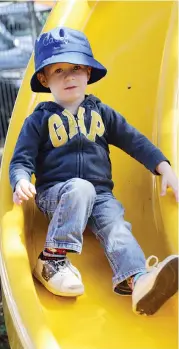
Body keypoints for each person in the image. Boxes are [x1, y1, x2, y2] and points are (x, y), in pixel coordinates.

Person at [9, 27, 178, 316]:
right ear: (43, 79)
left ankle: (138, 282)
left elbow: (134, 140)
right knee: (81, 188)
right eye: (58, 70)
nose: (69, 76)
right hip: (57, 195)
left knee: (116, 226)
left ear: (88, 72)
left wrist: (164, 167)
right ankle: (51, 258)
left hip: (100, 195)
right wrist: (21, 180)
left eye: (75, 67)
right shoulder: (38, 120)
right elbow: (20, 159)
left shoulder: (101, 113)